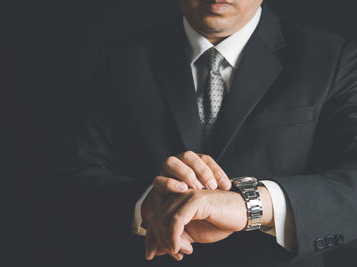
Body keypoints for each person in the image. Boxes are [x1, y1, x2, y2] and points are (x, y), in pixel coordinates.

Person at [65, 0, 357, 266]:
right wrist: (147, 204)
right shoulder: (120, 59)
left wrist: (249, 204)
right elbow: (76, 177)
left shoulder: (333, 59)